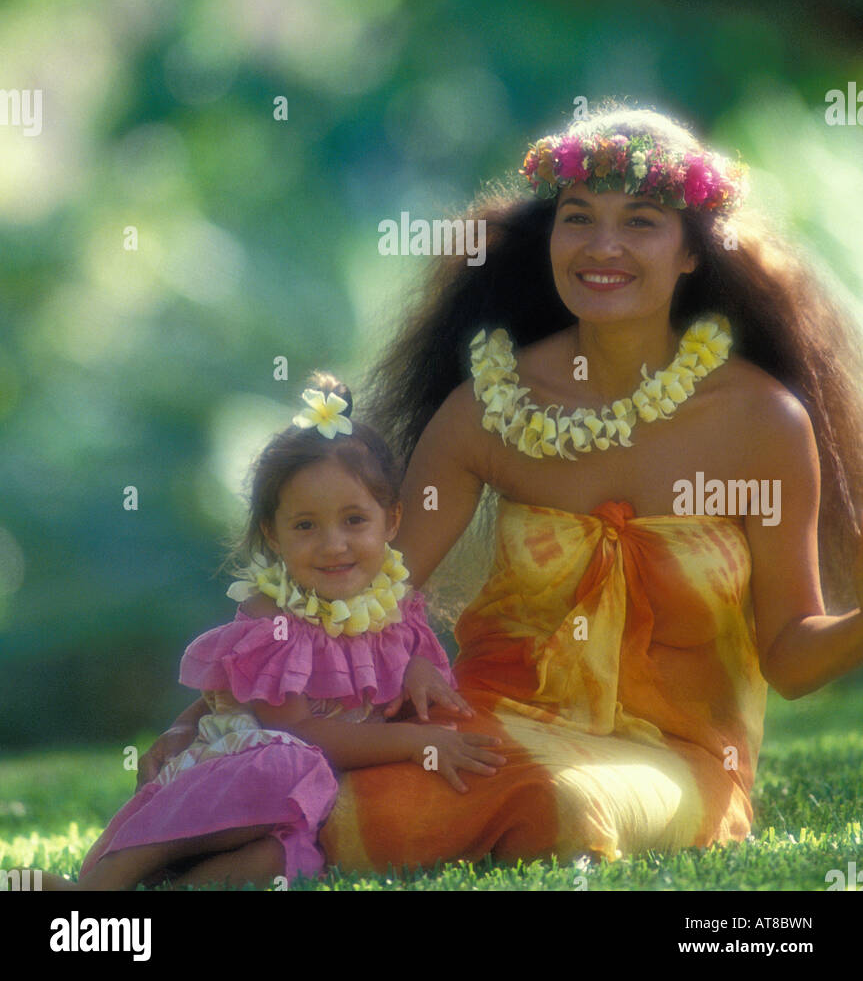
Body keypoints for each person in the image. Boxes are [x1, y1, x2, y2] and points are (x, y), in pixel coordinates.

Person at [142, 100, 863, 873]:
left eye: (642, 222)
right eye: (578, 218)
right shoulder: (490, 405)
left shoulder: (760, 421)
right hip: (484, 723)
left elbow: (788, 658)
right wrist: (210, 716)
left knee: (559, 801)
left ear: (693, 251)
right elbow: (360, 597)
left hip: (679, 759)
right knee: (310, 778)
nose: (602, 247)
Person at [41, 372, 505, 890]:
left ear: (391, 520)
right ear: (273, 534)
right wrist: (416, 744)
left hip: (290, 813)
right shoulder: (275, 617)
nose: (333, 545)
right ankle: (105, 882)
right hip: (232, 778)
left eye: (354, 520)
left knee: (296, 860)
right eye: (306, 525)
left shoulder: (397, 608)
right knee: (290, 764)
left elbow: (401, 666)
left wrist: (418, 667)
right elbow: (296, 729)